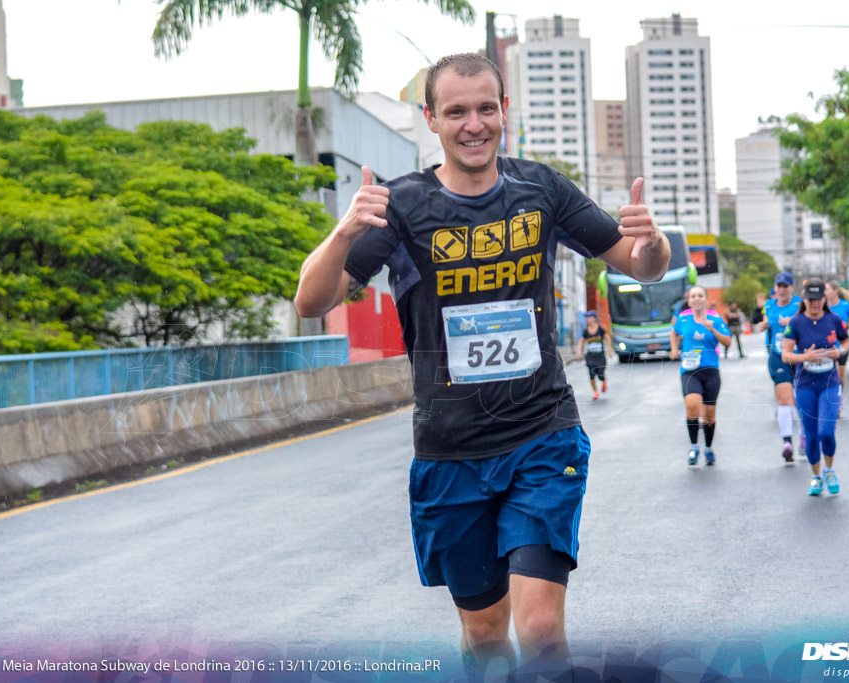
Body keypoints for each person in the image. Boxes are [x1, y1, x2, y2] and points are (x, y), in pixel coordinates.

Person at [292, 53, 670, 678]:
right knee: (485, 631)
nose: (474, 124)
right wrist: (344, 233)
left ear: (504, 113)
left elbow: (637, 263)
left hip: (542, 432)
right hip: (449, 450)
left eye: (486, 109)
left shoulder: (541, 190)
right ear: (432, 120)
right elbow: (311, 302)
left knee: (541, 626)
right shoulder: (400, 206)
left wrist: (651, 242)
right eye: (457, 111)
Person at [781, 279, 849, 495]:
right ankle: (816, 475)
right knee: (811, 435)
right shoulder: (796, 322)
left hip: (829, 384)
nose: (814, 304)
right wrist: (806, 357)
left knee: (826, 433)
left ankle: (829, 470)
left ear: (824, 299)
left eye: (817, 299)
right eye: (809, 300)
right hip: (805, 386)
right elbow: (785, 354)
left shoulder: (834, 319)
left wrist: (840, 352)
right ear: (804, 300)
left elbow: (846, 341)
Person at [670, 286, 733, 465]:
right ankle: (694, 447)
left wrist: (713, 330)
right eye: (693, 296)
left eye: (700, 296)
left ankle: (708, 448)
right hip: (689, 371)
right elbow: (674, 332)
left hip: (711, 371)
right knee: (692, 406)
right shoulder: (683, 318)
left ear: (705, 299)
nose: (696, 299)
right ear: (689, 301)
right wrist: (674, 350)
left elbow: (728, 342)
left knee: (709, 416)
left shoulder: (715, 319)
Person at [758, 273, 802, 462]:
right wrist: (764, 325)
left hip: (800, 356)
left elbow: (809, 321)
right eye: (779, 286)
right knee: (784, 399)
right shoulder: (769, 305)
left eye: (786, 286)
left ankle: (805, 436)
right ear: (775, 288)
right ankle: (787, 443)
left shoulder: (800, 304)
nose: (782, 290)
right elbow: (769, 323)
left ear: (791, 287)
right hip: (778, 356)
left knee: (801, 399)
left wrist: (793, 321)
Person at [825, 280, 849, 413]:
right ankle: (831, 398)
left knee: (840, 375)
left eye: (827, 289)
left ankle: (838, 399)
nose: (825, 292)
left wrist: (846, 327)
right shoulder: (824, 306)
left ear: (835, 290)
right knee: (829, 373)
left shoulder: (845, 305)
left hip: (843, 342)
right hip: (828, 343)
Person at [577, 311, 611, 400]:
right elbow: (581, 341)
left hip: (600, 357)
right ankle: (595, 392)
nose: (588, 319)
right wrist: (579, 352)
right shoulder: (586, 331)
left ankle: (603, 381)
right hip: (590, 357)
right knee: (591, 375)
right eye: (587, 318)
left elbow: (607, 338)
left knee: (600, 374)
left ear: (594, 319)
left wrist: (609, 350)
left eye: (589, 317)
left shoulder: (600, 329)